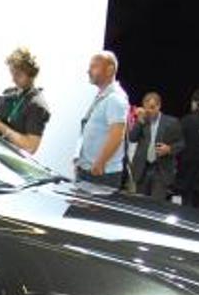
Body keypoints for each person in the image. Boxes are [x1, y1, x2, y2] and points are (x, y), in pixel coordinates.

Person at [0, 47, 51, 154]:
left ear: (31, 75)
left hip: (8, 160)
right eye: (12, 73)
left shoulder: (38, 106)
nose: (13, 79)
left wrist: (1, 127)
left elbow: (31, 147)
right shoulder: (9, 92)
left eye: (18, 75)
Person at [75, 51, 129, 189]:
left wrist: (100, 163)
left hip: (101, 173)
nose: (89, 71)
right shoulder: (103, 96)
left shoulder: (115, 98)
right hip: (89, 169)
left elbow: (117, 135)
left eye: (94, 66)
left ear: (110, 70)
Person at [128, 92, 184, 200]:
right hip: (142, 169)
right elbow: (132, 138)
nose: (149, 111)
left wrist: (169, 149)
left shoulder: (171, 122)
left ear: (159, 106)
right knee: (140, 202)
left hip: (160, 169)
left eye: (152, 107)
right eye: (146, 108)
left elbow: (181, 144)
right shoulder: (142, 121)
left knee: (156, 203)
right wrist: (139, 122)